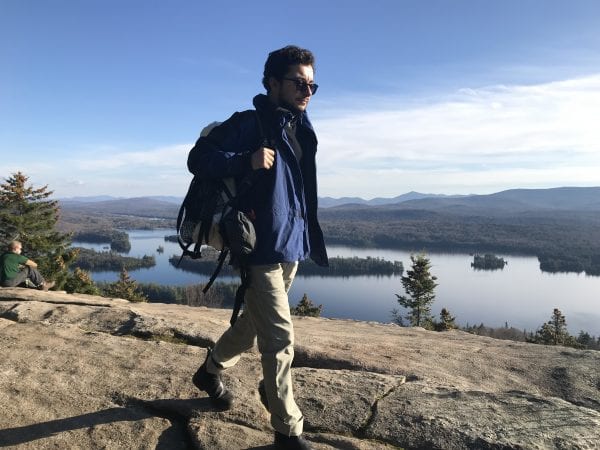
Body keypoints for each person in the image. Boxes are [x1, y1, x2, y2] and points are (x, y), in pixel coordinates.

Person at [187, 45, 328, 450]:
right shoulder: (250, 123)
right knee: (280, 334)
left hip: (289, 244)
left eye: (312, 84)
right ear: (272, 83)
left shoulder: (299, 128)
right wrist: (244, 160)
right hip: (257, 245)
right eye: (299, 83)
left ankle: (210, 371)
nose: (307, 91)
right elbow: (199, 158)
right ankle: (288, 429)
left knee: (255, 322)